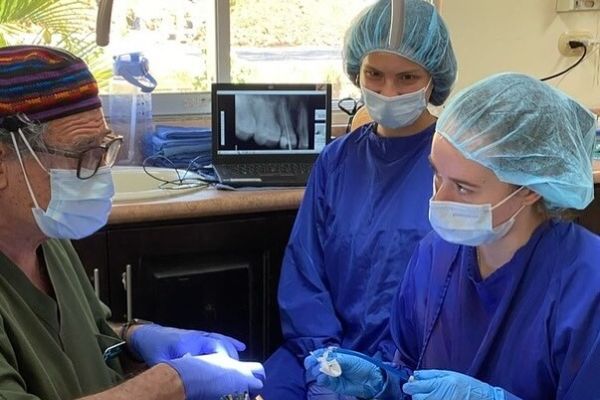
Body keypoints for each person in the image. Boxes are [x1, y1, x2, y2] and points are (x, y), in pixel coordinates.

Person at [305, 72, 600, 399]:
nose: (439, 200)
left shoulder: (587, 285)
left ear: (529, 189)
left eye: (463, 187)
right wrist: (382, 384)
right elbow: (412, 375)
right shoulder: (434, 256)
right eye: (436, 175)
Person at [0, 45, 265, 400]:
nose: (99, 171)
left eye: (104, 149)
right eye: (83, 153)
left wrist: (134, 337)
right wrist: (170, 384)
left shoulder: (47, 236)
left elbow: (86, 336)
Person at [260, 0, 457, 398]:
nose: (388, 91)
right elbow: (305, 271)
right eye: (375, 74)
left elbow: (457, 294)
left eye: (407, 77)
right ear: (357, 71)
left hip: (415, 368)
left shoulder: (455, 164)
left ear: (432, 77)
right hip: (319, 355)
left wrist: (385, 374)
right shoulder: (337, 161)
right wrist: (325, 360)